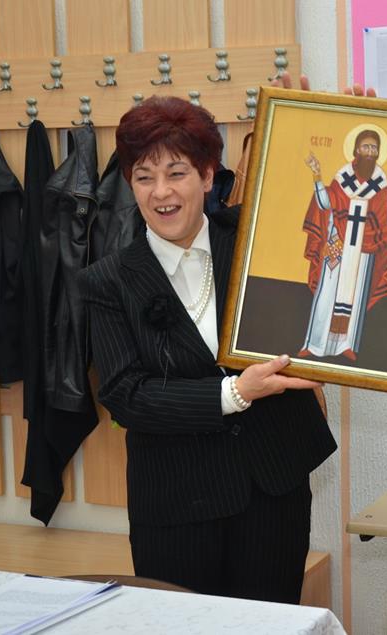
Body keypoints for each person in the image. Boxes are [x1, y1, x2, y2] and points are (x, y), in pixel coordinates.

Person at [77, 96, 337, 603]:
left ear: (207, 175)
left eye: (177, 173)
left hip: (272, 493)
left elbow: (330, 221)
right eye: (144, 177)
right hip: (176, 507)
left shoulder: (253, 239)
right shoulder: (107, 281)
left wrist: (338, 124)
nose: (161, 192)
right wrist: (235, 393)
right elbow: (127, 396)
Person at [299, 129, 387, 361]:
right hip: (337, 245)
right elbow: (325, 204)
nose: (370, 152)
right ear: (356, 150)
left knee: (354, 297)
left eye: (374, 148)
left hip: (364, 251)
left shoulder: (381, 185)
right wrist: (317, 175)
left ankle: (345, 343)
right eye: (366, 147)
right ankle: (315, 344)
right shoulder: (342, 178)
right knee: (327, 294)